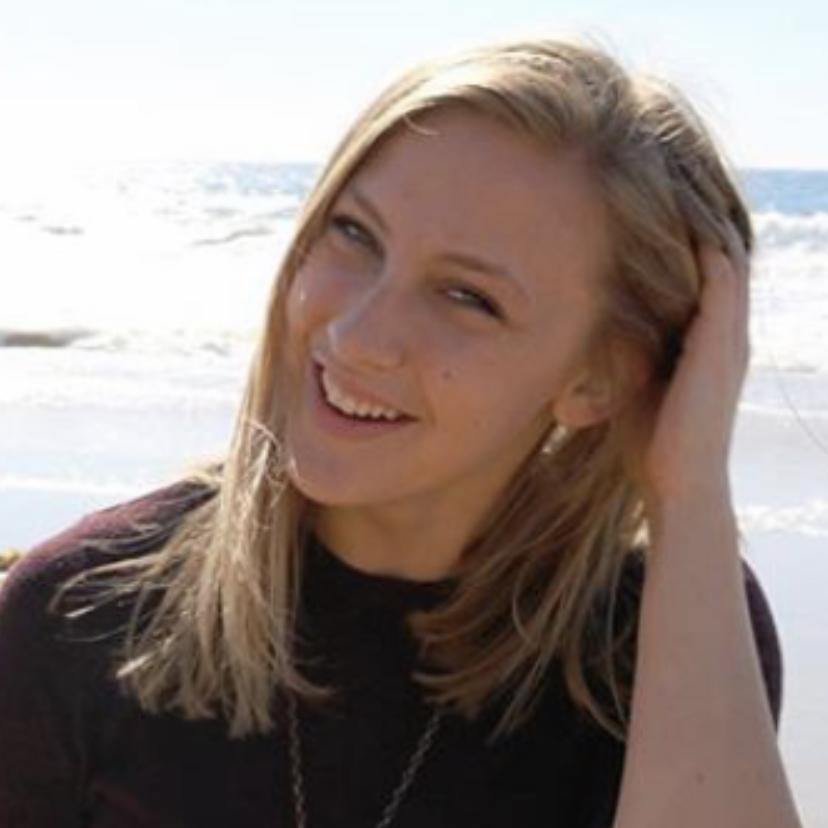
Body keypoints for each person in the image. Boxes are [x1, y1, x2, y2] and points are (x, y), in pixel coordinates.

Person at [0, 35, 802, 828]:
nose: (356, 337)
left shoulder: (671, 629)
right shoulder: (80, 614)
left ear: (601, 377)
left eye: (468, 297)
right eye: (355, 234)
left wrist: (690, 493)